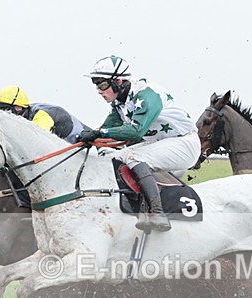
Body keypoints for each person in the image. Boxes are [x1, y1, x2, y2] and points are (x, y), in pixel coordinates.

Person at [76, 55, 200, 232]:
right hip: (159, 144)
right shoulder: (120, 103)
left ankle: (157, 213)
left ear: (118, 81)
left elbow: (136, 131)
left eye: (102, 84)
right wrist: (88, 139)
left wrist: (99, 133)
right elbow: (105, 131)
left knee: (134, 156)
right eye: (96, 85)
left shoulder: (146, 94)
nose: (99, 90)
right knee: (111, 158)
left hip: (183, 143)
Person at [0, 85, 90, 144]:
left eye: (3, 109)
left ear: (18, 108)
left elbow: (33, 143)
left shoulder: (42, 116)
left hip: (91, 145)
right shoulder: (25, 114)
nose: (2, 114)